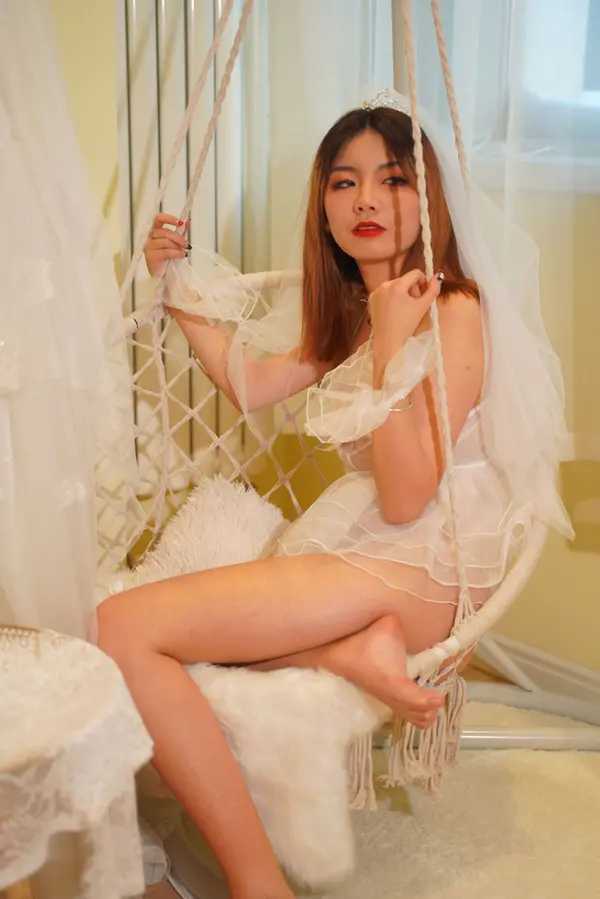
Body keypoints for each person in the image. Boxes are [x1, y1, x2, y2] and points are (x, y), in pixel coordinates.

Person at [97, 91, 570, 899]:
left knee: (119, 627)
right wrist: (170, 282)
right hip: (381, 549)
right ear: (323, 206)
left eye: (393, 179)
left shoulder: (454, 308)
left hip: (429, 559)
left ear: (429, 194)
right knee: (144, 628)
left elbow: (408, 495)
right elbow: (249, 383)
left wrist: (389, 348)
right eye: (344, 183)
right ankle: (347, 652)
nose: (367, 201)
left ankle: (258, 883)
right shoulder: (355, 311)